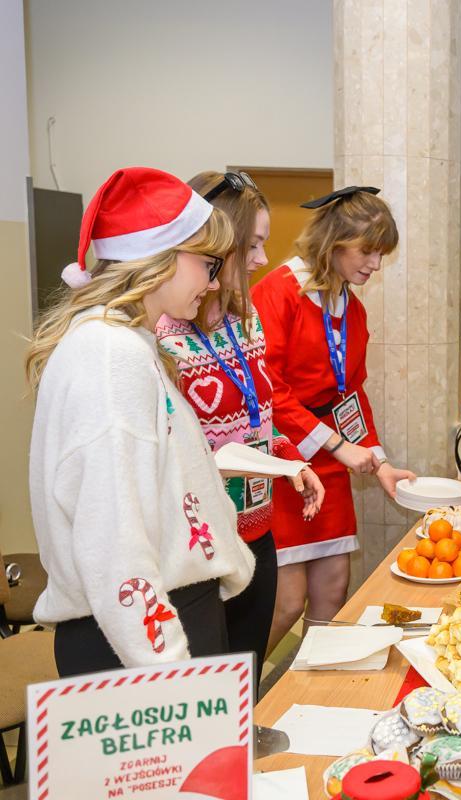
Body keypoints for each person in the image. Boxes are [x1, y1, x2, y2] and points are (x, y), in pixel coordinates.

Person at [27, 167, 255, 676]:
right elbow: (112, 538)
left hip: (155, 623)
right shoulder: (110, 354)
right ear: (159, 257)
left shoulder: (123, 344)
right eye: (208, 264)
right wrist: (169, 670)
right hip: (140, 639)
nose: (214, 282)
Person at [157, 170, 324, 685]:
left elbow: (257, 422)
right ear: (214, 245)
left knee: (245, 683)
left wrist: (289, 460)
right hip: (202, 551)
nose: (261, 259)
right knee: (207, 697)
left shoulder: (246, 322)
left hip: (258, 531)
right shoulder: (161, 338)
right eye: (250, 245)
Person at [252, 187, 415, 654]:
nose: (375, 265)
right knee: (286, 604)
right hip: (283, 459)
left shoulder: (351, 307)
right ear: (333, 241)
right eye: (368, 251)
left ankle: (311, 688)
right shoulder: (278, 292)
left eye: (381, 254)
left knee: (332, 591)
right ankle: (235, 689)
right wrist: (338, 446)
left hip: (329, 457)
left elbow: (351, 394)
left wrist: (379, 462)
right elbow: (270, 389)